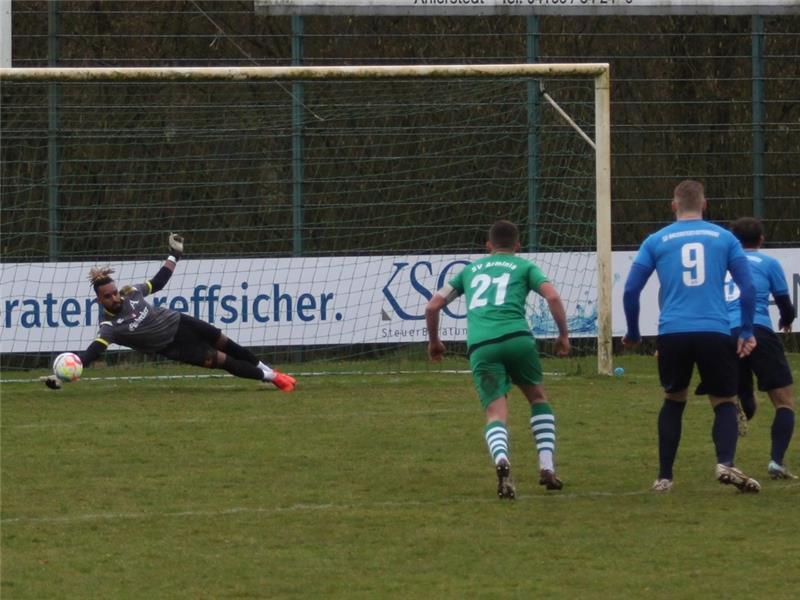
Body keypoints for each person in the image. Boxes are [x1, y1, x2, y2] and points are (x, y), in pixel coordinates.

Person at [623, 180, 759, 493]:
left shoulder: (656, 240)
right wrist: (747, 329)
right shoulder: (725, 238)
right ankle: (725, 462)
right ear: (705, 204)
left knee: (674, 400)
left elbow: (631, 289)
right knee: (724, 400)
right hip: (714, 329)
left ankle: (664, 477)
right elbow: (747, 288)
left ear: (674, 206)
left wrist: (633, 331)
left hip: (673, 331)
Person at [41, 233, 296, 392]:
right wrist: (62, 375)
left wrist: (174, 255)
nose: (114, 297)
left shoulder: (131, 292)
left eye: (114, 292)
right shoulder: (109, 327)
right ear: (99, 300)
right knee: (224, 362)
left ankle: (269, 373)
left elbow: (158, 282)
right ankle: (273, 377)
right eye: (107, 296)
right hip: (175, 348)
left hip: (181, 322)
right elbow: (91, 353)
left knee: (229, 345)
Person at [425, 220, 570, 499]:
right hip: (518, 340)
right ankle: (546, 466)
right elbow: (552, 296)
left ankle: (502, 459)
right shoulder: (524, 266)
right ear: (517, 246)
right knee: (538, 398)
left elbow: (432, 306)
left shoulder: (468, 271)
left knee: (495, 413)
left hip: (482, 346)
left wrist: (435, 342)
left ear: (488, 246)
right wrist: (563, 335)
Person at [725, 217, 796, 479]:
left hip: (726, 333)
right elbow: (785, 305)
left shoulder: (722, 264)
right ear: (761, 240)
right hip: (757, 330)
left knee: (729, 401)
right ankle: (777, 462)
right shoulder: (768, 263)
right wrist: (786, 320)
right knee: (785, 402)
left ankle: (727, 461)